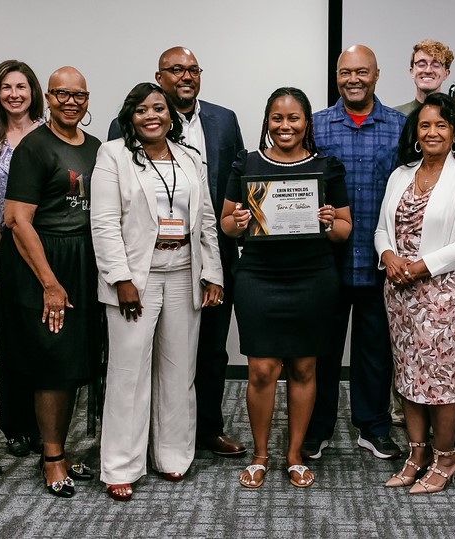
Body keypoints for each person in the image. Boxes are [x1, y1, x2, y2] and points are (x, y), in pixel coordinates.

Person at [107, 47, 247, 458]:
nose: (185, 76)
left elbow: (233, 185)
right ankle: (144, 440)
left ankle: (207, 429)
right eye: (175, 70)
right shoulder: (127, 125)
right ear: (159, 76)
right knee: (145, 355)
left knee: (209, 350)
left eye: (192, 69)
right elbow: (120, 196)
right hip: (146, 261)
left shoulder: (224, 119)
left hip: (210, 253)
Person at [93, 82, 224, 501]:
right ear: (130, 116)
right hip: (136, 277)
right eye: (142, 110)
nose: (152, 116)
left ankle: (172, 456)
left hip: (185, 271)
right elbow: (105, 222)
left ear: (171, 116)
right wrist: (120, 278)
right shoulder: (113, 155)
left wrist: (214, 273)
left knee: (179, 372)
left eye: (159, 109)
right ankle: (121, 465)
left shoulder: (190, 158)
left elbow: (205, 220)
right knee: (128, 372)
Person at [221, 88, 352, 489]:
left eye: (293, 118)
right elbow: (226, 223)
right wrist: (239, 222)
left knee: (303, 366)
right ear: (267, 121)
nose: (285, 126)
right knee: (261, 370)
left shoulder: (326, 166)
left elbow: (344, 230)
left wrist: (329, 221)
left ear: (306, 123)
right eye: (277, 118)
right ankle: (261, 454)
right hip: (259, 277)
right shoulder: (247, 162)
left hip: (313, 277)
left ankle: (294, 455)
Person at [376, 93, 455, 494]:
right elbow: (381, 229)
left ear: (454, 131)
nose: (432, 131)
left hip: (448, 293)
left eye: (441, 124)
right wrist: (388, 256)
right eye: (425, 125)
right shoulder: (402, 174)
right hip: (401, 291)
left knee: (442, 380)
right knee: (408, 377)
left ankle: (446, 457)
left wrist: (420, 266)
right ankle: (417, 453)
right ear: (415, 132)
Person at [0, 66, 101, 498]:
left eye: (79, 95)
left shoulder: (97, 148)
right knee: (53, 363)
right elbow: (17, 221)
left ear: (88, 99)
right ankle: (52, 457)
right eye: (62, 94)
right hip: (47, 263)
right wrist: (50, 283)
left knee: (77, 361)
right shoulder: (34, 147)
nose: (71, 102)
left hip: (86, 260)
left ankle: (60, 446)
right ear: (50, 96)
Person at [306, 44, 408, 461]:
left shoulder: (401, 126)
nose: (353, 79)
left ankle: (374, 426)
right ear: (336, 76)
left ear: (377, 75)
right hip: (325, 262)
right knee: (322, 351)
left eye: (361, 72)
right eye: (345, 72)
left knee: (375, 351)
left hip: (380, 260)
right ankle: (318, 427)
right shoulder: (315, 125)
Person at [0, 60, 46, 458]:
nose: (15, 94)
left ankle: (44, 426)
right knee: (13, 342)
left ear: (33, 91)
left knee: (43, 340)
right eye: (7, 87)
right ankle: (15, 427)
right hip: (4, 253)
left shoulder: (48, 136)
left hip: (43, 252)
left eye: (22, 86)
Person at [394, 40, 453, 116]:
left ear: (446, 74)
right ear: (412, 72)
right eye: (421, 64)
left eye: (435, 65)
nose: (428, 70)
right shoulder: (396, 116)